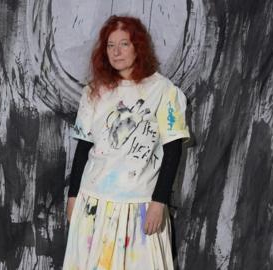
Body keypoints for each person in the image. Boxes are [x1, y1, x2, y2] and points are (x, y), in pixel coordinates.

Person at [63, 15, 190, 270]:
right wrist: (74, 194)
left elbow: (173, 150)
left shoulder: (163, 91)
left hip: (139, 205)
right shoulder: (94, 91)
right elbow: (84, 146)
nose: (116, 52)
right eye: (110, 45)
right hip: (94, 203)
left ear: (138, 47)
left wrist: (159, 201)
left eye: (124, 44)